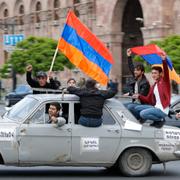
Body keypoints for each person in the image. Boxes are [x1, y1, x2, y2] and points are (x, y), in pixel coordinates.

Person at [132, 53, 171, 128]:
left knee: (143, 113)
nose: (153, 75)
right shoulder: (154, 85)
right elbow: (148, 99)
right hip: (156, 107)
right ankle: (139, 121)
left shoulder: (164, 82)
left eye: (155, 73)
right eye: (152, 73)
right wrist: (139, 96)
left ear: (160, 74)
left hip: (162, 110)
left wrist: (164, 60)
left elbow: (166, 72)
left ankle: (159, 120)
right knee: (136, 108)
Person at [124, 49, 150, 118]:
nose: (135, 72)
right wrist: (129, 56)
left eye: (137, 70)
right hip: (136, 103)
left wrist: (130, 94)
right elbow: (131, 67)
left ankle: (138, 119)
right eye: (135, 70)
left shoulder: (145, 83)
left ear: (142, 72)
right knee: (122, 106)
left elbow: (140, 96)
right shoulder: (136, 77)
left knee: (129, 107)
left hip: (142, 104)